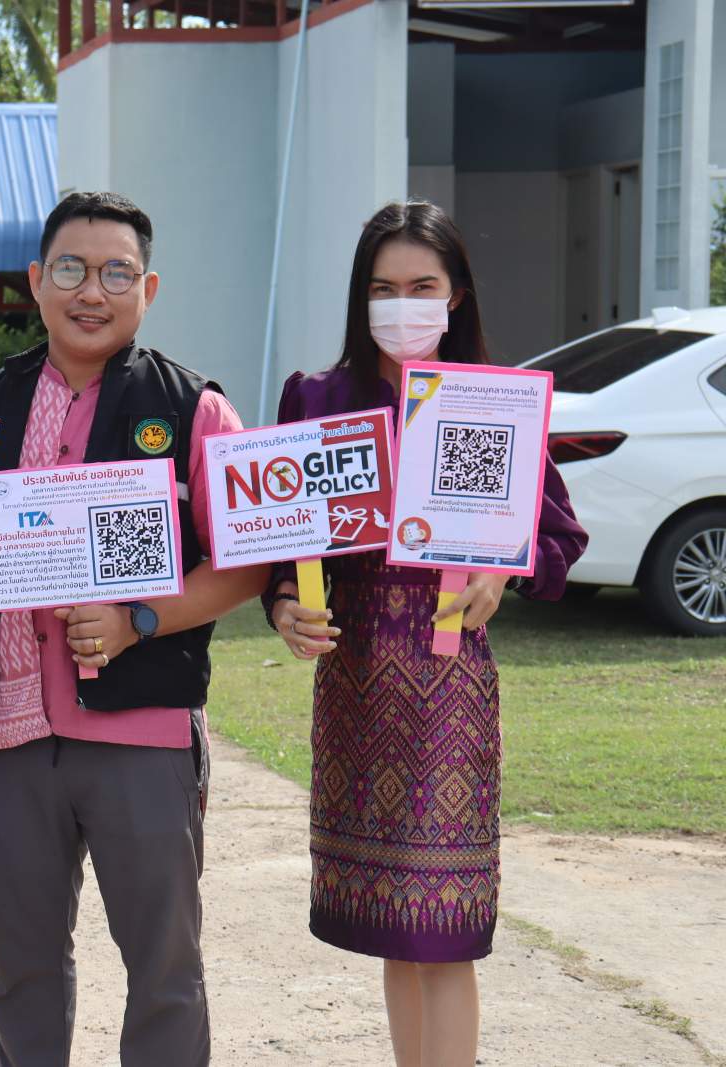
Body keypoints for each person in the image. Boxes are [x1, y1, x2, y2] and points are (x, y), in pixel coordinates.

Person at [0, 191, 268, 1067]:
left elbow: (248, 564)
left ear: (149, 288)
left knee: (165, 967)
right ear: (36, 280)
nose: (91, 291)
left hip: (142, 733)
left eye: (116, 272)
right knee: (21, 968)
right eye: (71, 269)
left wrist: (141, 618)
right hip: (3, 735)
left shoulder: (193, 408)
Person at [264, 200, 588, 1067]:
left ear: (456, 295)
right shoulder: (319, 399)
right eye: (382, 288)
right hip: (354, 688)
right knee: (394, 927)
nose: (400, 305)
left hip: (449, 690)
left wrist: (502, 569)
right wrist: (285, 606)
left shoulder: (489, 401)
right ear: (359, 296)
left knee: (442, 927)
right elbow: (282, 544)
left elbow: (558, 538)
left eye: (420, 286)